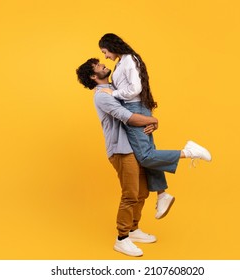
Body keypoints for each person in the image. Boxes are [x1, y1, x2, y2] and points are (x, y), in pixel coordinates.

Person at [98, 33, 212, 217]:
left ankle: (189, 152)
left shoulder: (128, 60)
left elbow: (135, 89)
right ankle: (162, 195)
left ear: (111, 46)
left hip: (134, 108)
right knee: (150, 152)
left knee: (145, 156)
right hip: (137, 108)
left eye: (105, 52)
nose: (105, 57)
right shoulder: (122, 61)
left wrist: (114, 94)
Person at [76, 58, 159, 257]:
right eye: (99, 66)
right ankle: (122, 239)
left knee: (143, 192)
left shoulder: (115, 88)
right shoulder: (102, 96)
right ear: (94, 77)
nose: (104, 64)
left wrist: (151, 123)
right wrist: (154, 119)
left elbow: (137, 107)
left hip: (135, 146)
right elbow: (128, 117)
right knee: (130, 194)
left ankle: (134, 229)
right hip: (121, 149)